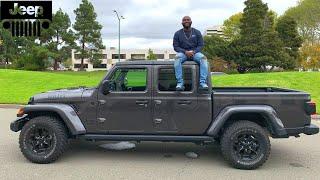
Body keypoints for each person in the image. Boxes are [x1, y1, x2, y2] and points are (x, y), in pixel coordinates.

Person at [173, 16, 208, 91]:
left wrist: (194, 52)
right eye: (184, 20)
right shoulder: (177, 33)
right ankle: (180, 83)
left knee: (203, 59)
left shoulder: (197, 32)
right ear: (182, 22)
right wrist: (185, 52)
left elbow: (201, 45)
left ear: (191, 21)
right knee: (177, 59)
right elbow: (176, 47)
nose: (186, 21)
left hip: (195, 53)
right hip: (183, 53)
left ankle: (202, 83)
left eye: (188, 20)